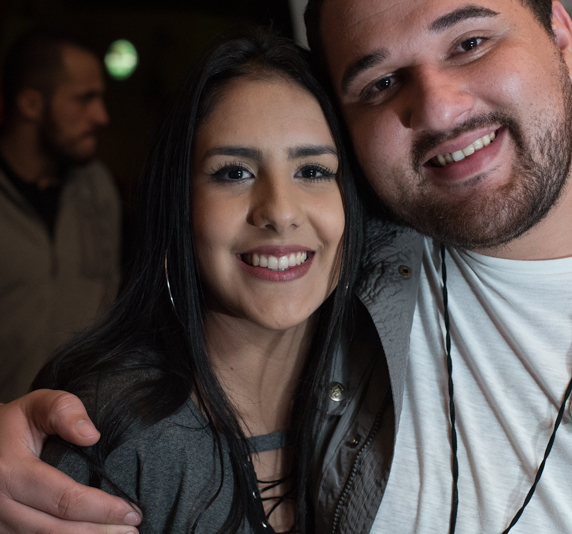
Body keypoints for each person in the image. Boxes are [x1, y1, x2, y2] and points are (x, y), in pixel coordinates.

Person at [1, 0, 572, 533]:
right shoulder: (362, 255)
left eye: (470, 41)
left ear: (562, 37)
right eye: (381, 81)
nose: (440, 108)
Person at [29, 27, 363, 534]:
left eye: (313, 171)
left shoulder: (390, 404)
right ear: (179, 204)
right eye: (234, 172)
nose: (279, 212)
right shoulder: (111, 436)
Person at [0, 28, 121, 403]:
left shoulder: (97, 188)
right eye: (85, 99)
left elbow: (110, 306)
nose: (101, 116)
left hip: (81, 424)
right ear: (31, 104)